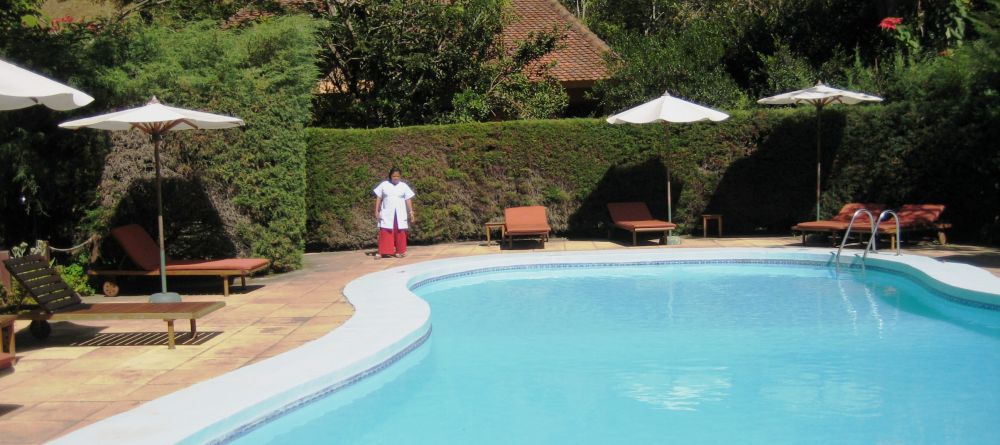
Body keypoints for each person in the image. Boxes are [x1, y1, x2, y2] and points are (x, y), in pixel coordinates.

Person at [373, 167, 415, 259]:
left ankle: (399, 251)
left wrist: (411, 212)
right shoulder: (384, 185)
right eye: (394, 176)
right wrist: (376, 210)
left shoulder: (403, 186)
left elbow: (408, 199)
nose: (396, 178)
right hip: (387, 213)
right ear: (390, 176)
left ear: (400, 176)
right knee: (385, 231)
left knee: (400, 232)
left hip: (399, 213)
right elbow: (379, 197)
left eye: (397, 176)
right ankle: (381, 252)